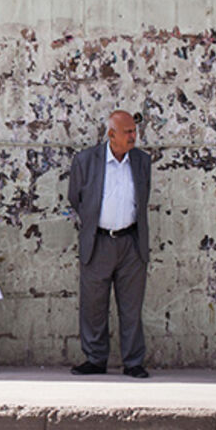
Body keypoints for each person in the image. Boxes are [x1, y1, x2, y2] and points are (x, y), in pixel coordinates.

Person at [69, 110, 153, 379]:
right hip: (99, 241)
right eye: (127, 132)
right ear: (111, 134)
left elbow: (143, 197)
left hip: (131, 242)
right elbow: (75, 198)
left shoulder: (141, 161)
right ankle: (95, 358)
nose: (133, 136)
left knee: (131, 306)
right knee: (93, 305)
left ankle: (133, 361)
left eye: (134, 131)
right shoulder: (86, 160)